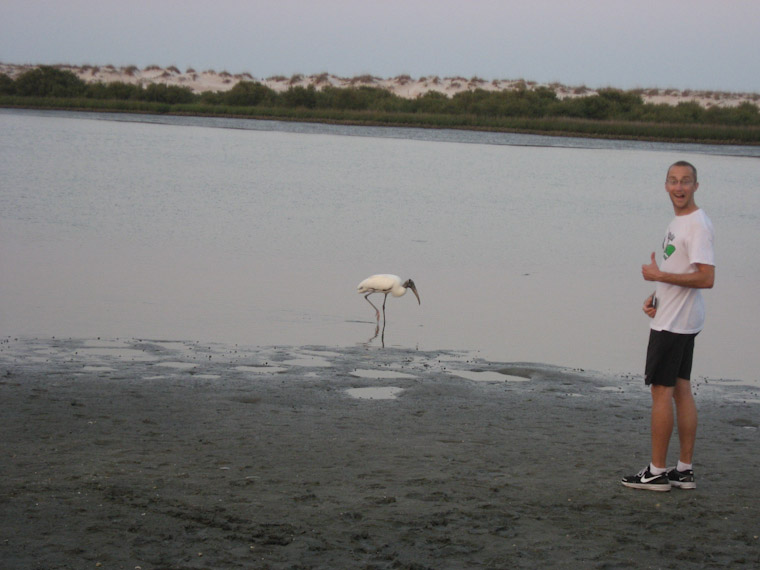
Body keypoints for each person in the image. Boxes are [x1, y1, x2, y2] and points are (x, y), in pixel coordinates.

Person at [622, 161, 715, 492]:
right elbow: (681, 267)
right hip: (677, 315)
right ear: (665, 185)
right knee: (680, 388)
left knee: (661, 391)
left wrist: (659, 276)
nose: (679, 187)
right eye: (673, 181)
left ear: (696, 186)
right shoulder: (680, 221)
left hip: (676, 323)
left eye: (685, 182)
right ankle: (684, 470)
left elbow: (706, 277)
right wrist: (657, 295)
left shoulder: (697, 225)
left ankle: (657, 472)